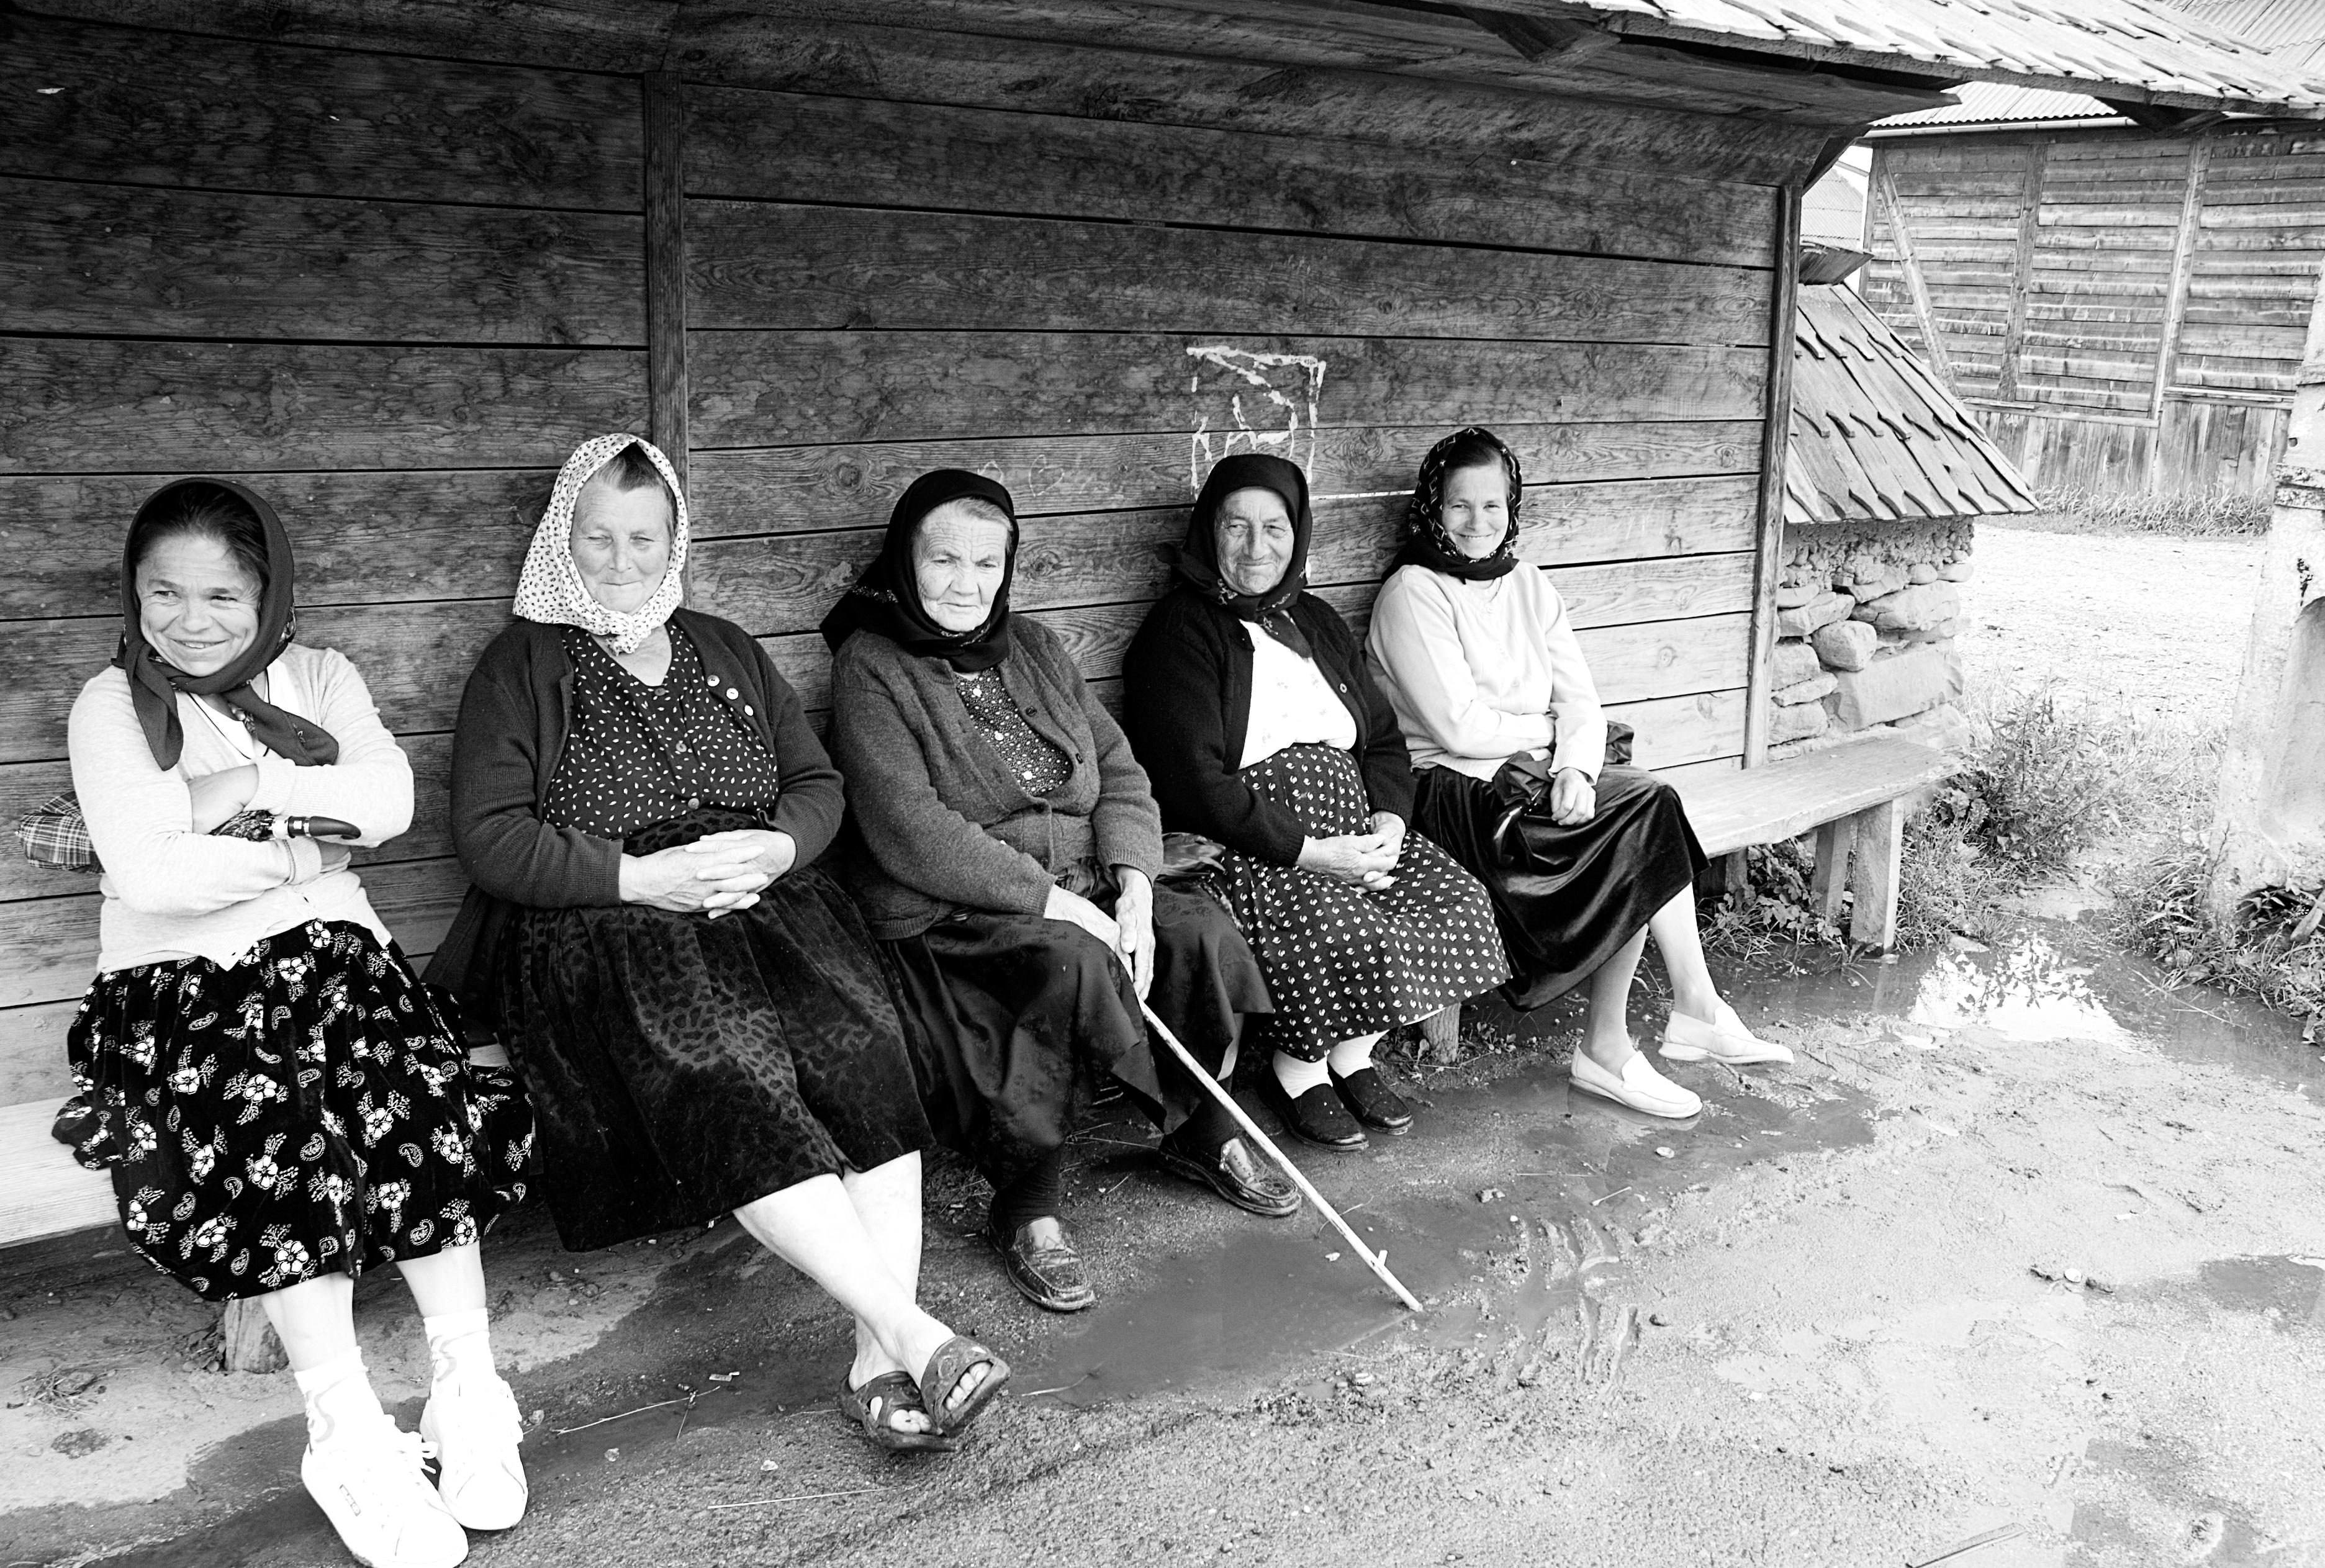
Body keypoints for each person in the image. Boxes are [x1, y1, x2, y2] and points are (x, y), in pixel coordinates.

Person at [428, 434, 1003, 1457]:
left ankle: (881, 1355)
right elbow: (491, 836)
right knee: (726, 1073)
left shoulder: (725, 645)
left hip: (768, 910)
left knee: (871, 1050)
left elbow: (819, 786)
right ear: (562, 536)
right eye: (597, 536)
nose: (620, 560)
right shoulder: (519, 666)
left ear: (673, 539)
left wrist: (779, 847)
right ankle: (918, 1333)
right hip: (607, 927)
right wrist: (640, 876)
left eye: (643, 538)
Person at [63, 479, 535, 1568]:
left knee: (415, 1097)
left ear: (268, 592)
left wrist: (231, 786)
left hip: (328, 953)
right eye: (163, 593)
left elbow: (389, 797)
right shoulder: (109, 703)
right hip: (175, 983)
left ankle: (467, 1386)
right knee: (272, 1121)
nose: (191, 619)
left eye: (222, 593)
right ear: (132, 597)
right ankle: (346, 1430)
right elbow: (150, 873)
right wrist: (301, 843)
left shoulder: (320, 675)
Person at [826, 470, 1293, 1317]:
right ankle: (1027, 1199)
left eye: (987, 563)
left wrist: (1137, 886)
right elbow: (910, 829)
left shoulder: (1036, 647)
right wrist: (1065, 904)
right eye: (944, 560)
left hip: (1082, 882)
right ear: (906, 559)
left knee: (1200, 931)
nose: (967, 583)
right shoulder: (873, 666)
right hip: (960, 907)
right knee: (1070, 962)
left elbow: (1119, 771)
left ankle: (1199, 1128)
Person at [1366, 426, 1795, 1120]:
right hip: (1452, 793)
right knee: (1638, 814)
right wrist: (1555, 736)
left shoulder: (1530, 587)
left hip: (1527, 778)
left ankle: (1671, 1018)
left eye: (1493, 507)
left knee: (1640, 807)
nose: (1478, 524)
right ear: (1431, 510)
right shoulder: (1412, 594)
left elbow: (1583, 702)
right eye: (1459, 507)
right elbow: (1459, 728)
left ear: (1514, 511)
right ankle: (1641, 1033)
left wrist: (1574, 768)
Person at [1121, 453, 1512, 1153]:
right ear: (1208, 532)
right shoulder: (1179, 632)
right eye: (1235, 528)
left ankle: (1353, 1054)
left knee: (1456, 902)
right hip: (1252, 843)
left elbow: (1385, 740)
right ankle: (1298, 1069)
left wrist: (1390, 820)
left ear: (1297, 532)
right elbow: (1193, 783)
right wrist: (1310, 853)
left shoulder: (1318, 622)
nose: (1255, 548)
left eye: (1274, 528)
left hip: (1351, 829)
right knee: (1342, 926)